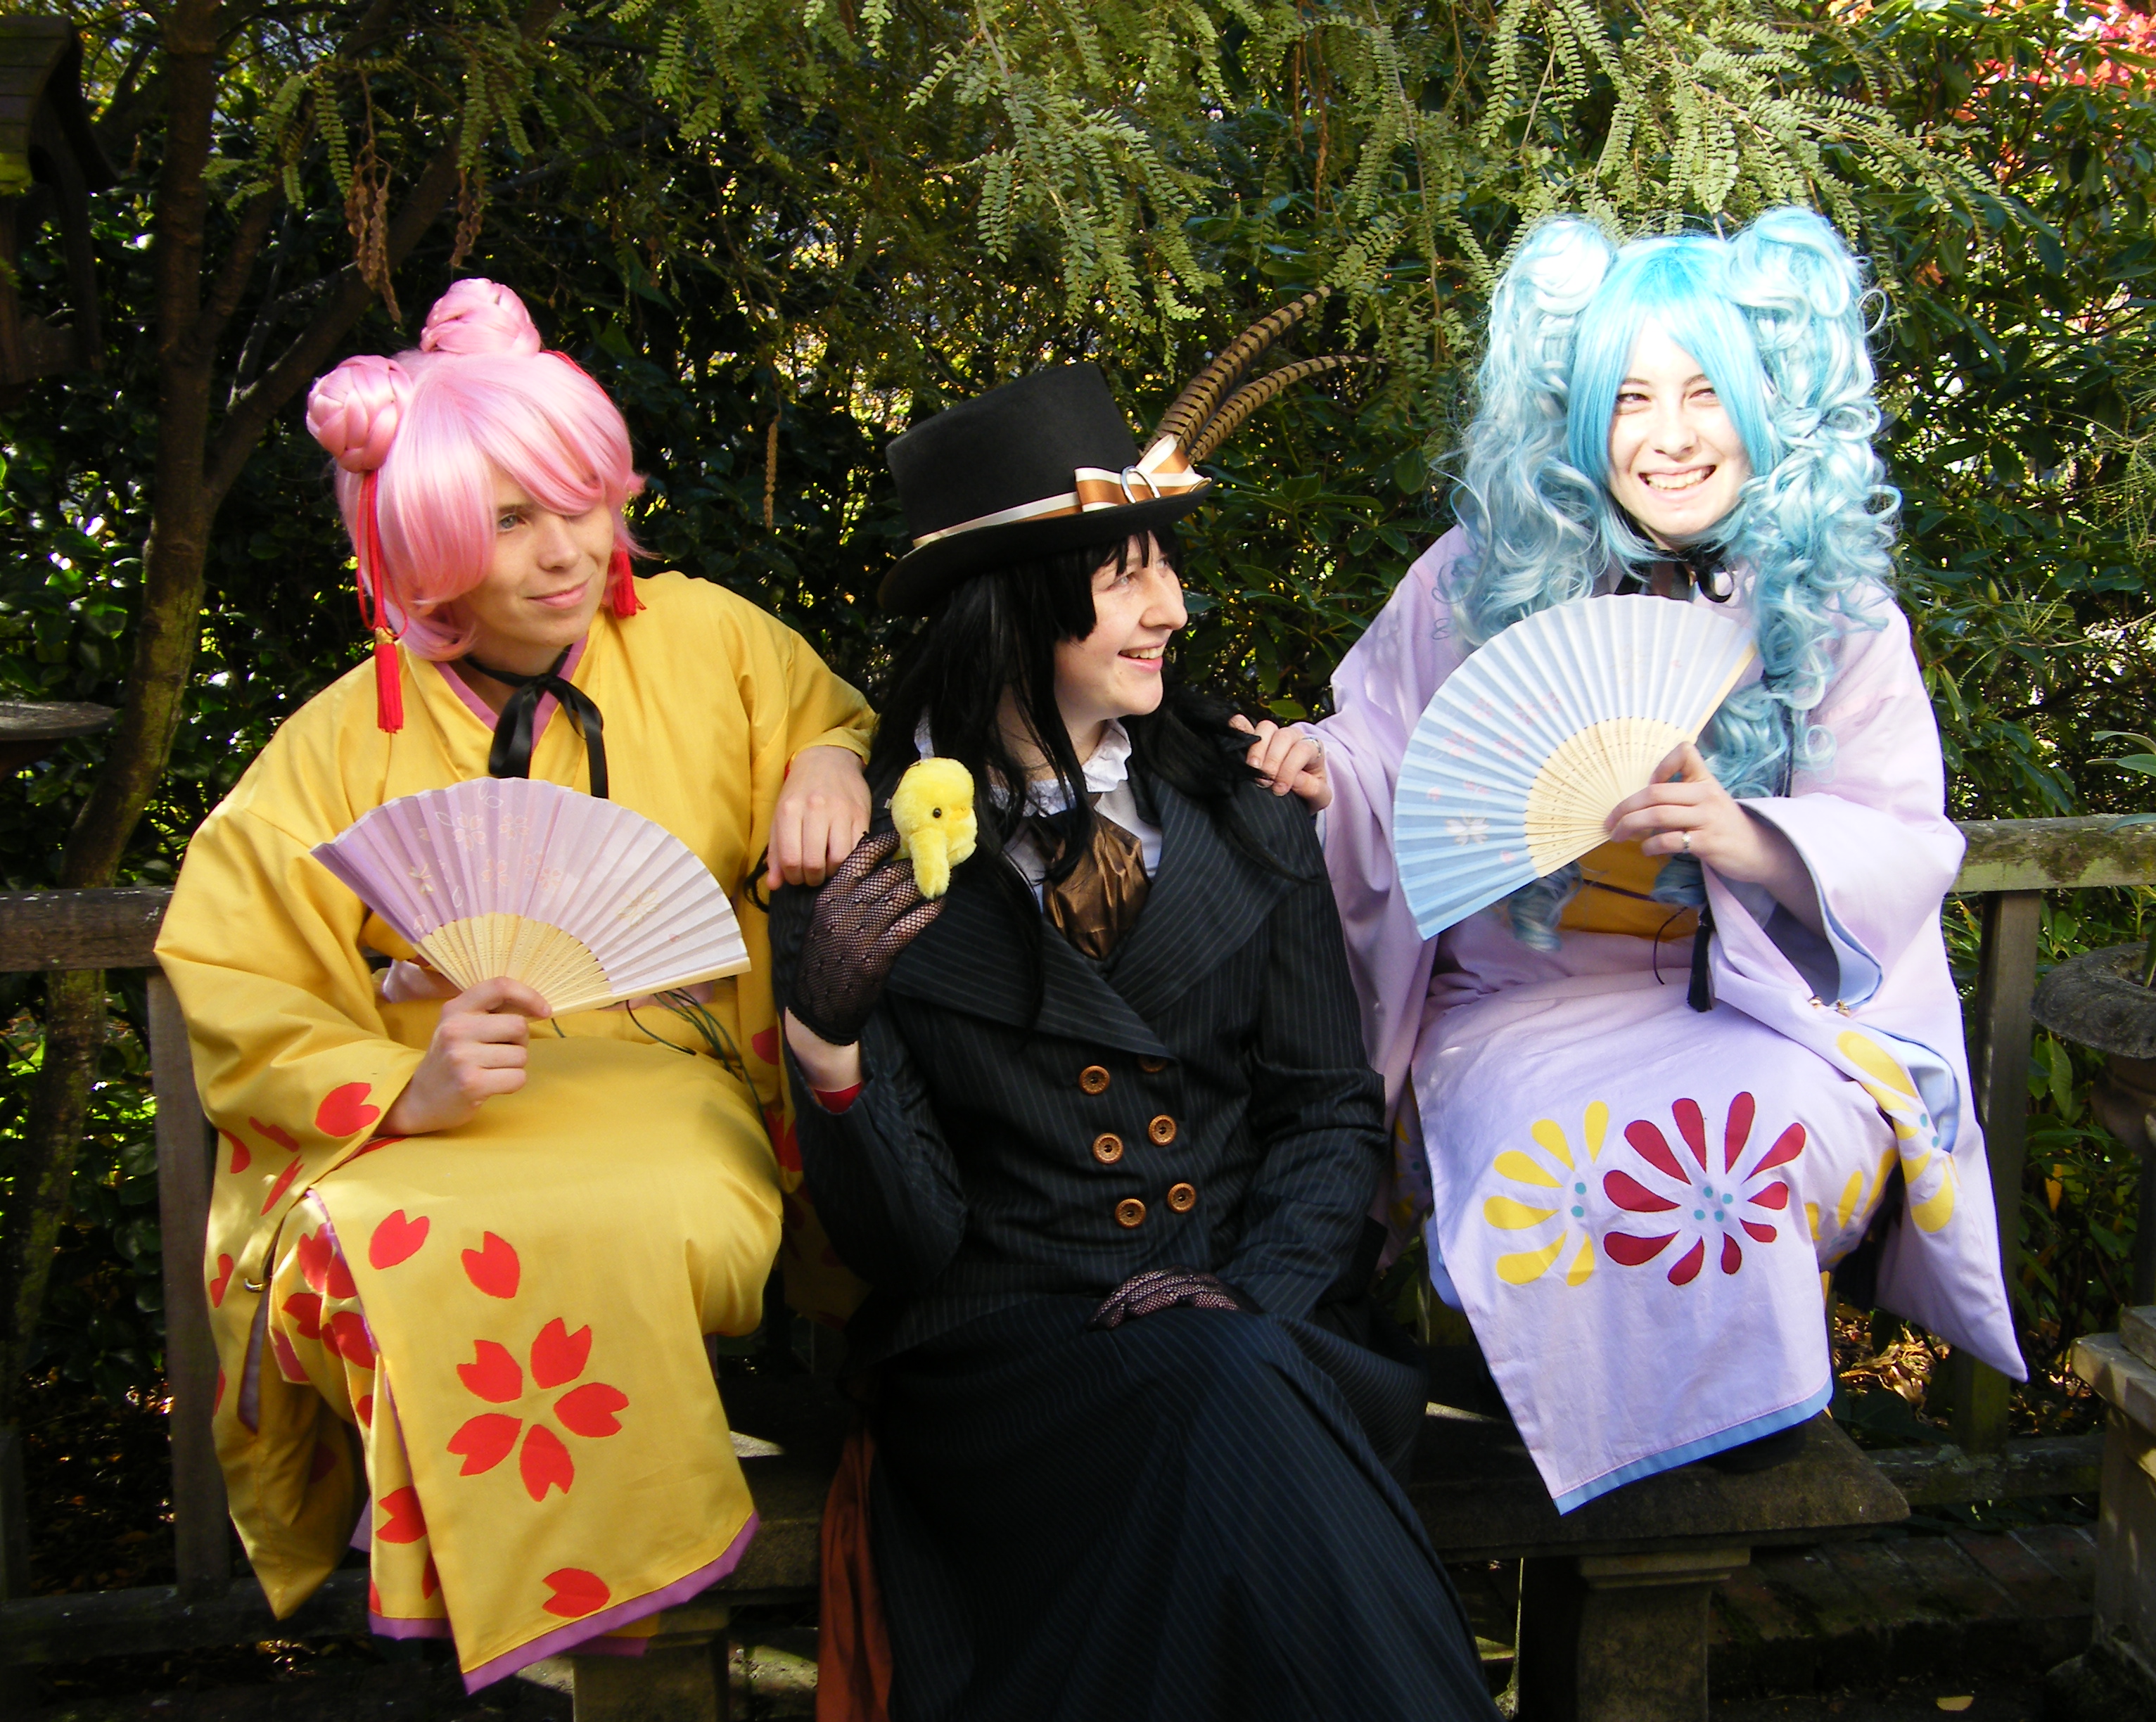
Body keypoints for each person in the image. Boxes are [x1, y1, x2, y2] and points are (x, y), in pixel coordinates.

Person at [1238, 208, 2027, 1512]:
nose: (1670, 435)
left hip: (1753, 1004)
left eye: (1707, 394)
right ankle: (1599, 1416)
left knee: (1760, 1131)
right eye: (1630, 399)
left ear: (1770, 404)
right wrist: (1329, 777)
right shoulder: (1477, 579)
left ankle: (1750, 1406)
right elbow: (1383, 747)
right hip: (1526, 999)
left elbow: (1901, 831)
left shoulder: (1829, 606)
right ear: (1578, 416)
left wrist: (1752, 838)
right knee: (1564, 1157)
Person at [155, 279, 875, 1688]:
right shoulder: (342, 740)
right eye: (507, 520)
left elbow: (828, 711)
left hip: (667, 1086)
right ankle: (561, 1583)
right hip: (451, 1117)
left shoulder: (711, 639)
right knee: (375, 1244)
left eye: (582, 501)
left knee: (628, 1220)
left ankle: (609, 1582)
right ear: (419, 544)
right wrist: (398, 1089)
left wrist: (829, 762)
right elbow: (238, 959)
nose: (565, 551)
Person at [770, 362, 1500, 1721]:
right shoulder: (858, 866)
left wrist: (1250, 1296)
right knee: (1230, 1419)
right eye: (1124, 576)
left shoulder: (1248, 801)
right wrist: (828, 1044)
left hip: (1249, 1323)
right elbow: (905, 1247)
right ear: (1012, 601)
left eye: (1165, 566)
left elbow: (1327, 1110)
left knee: (1233, 1392)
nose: (1172, 607)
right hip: (1007, 1370)